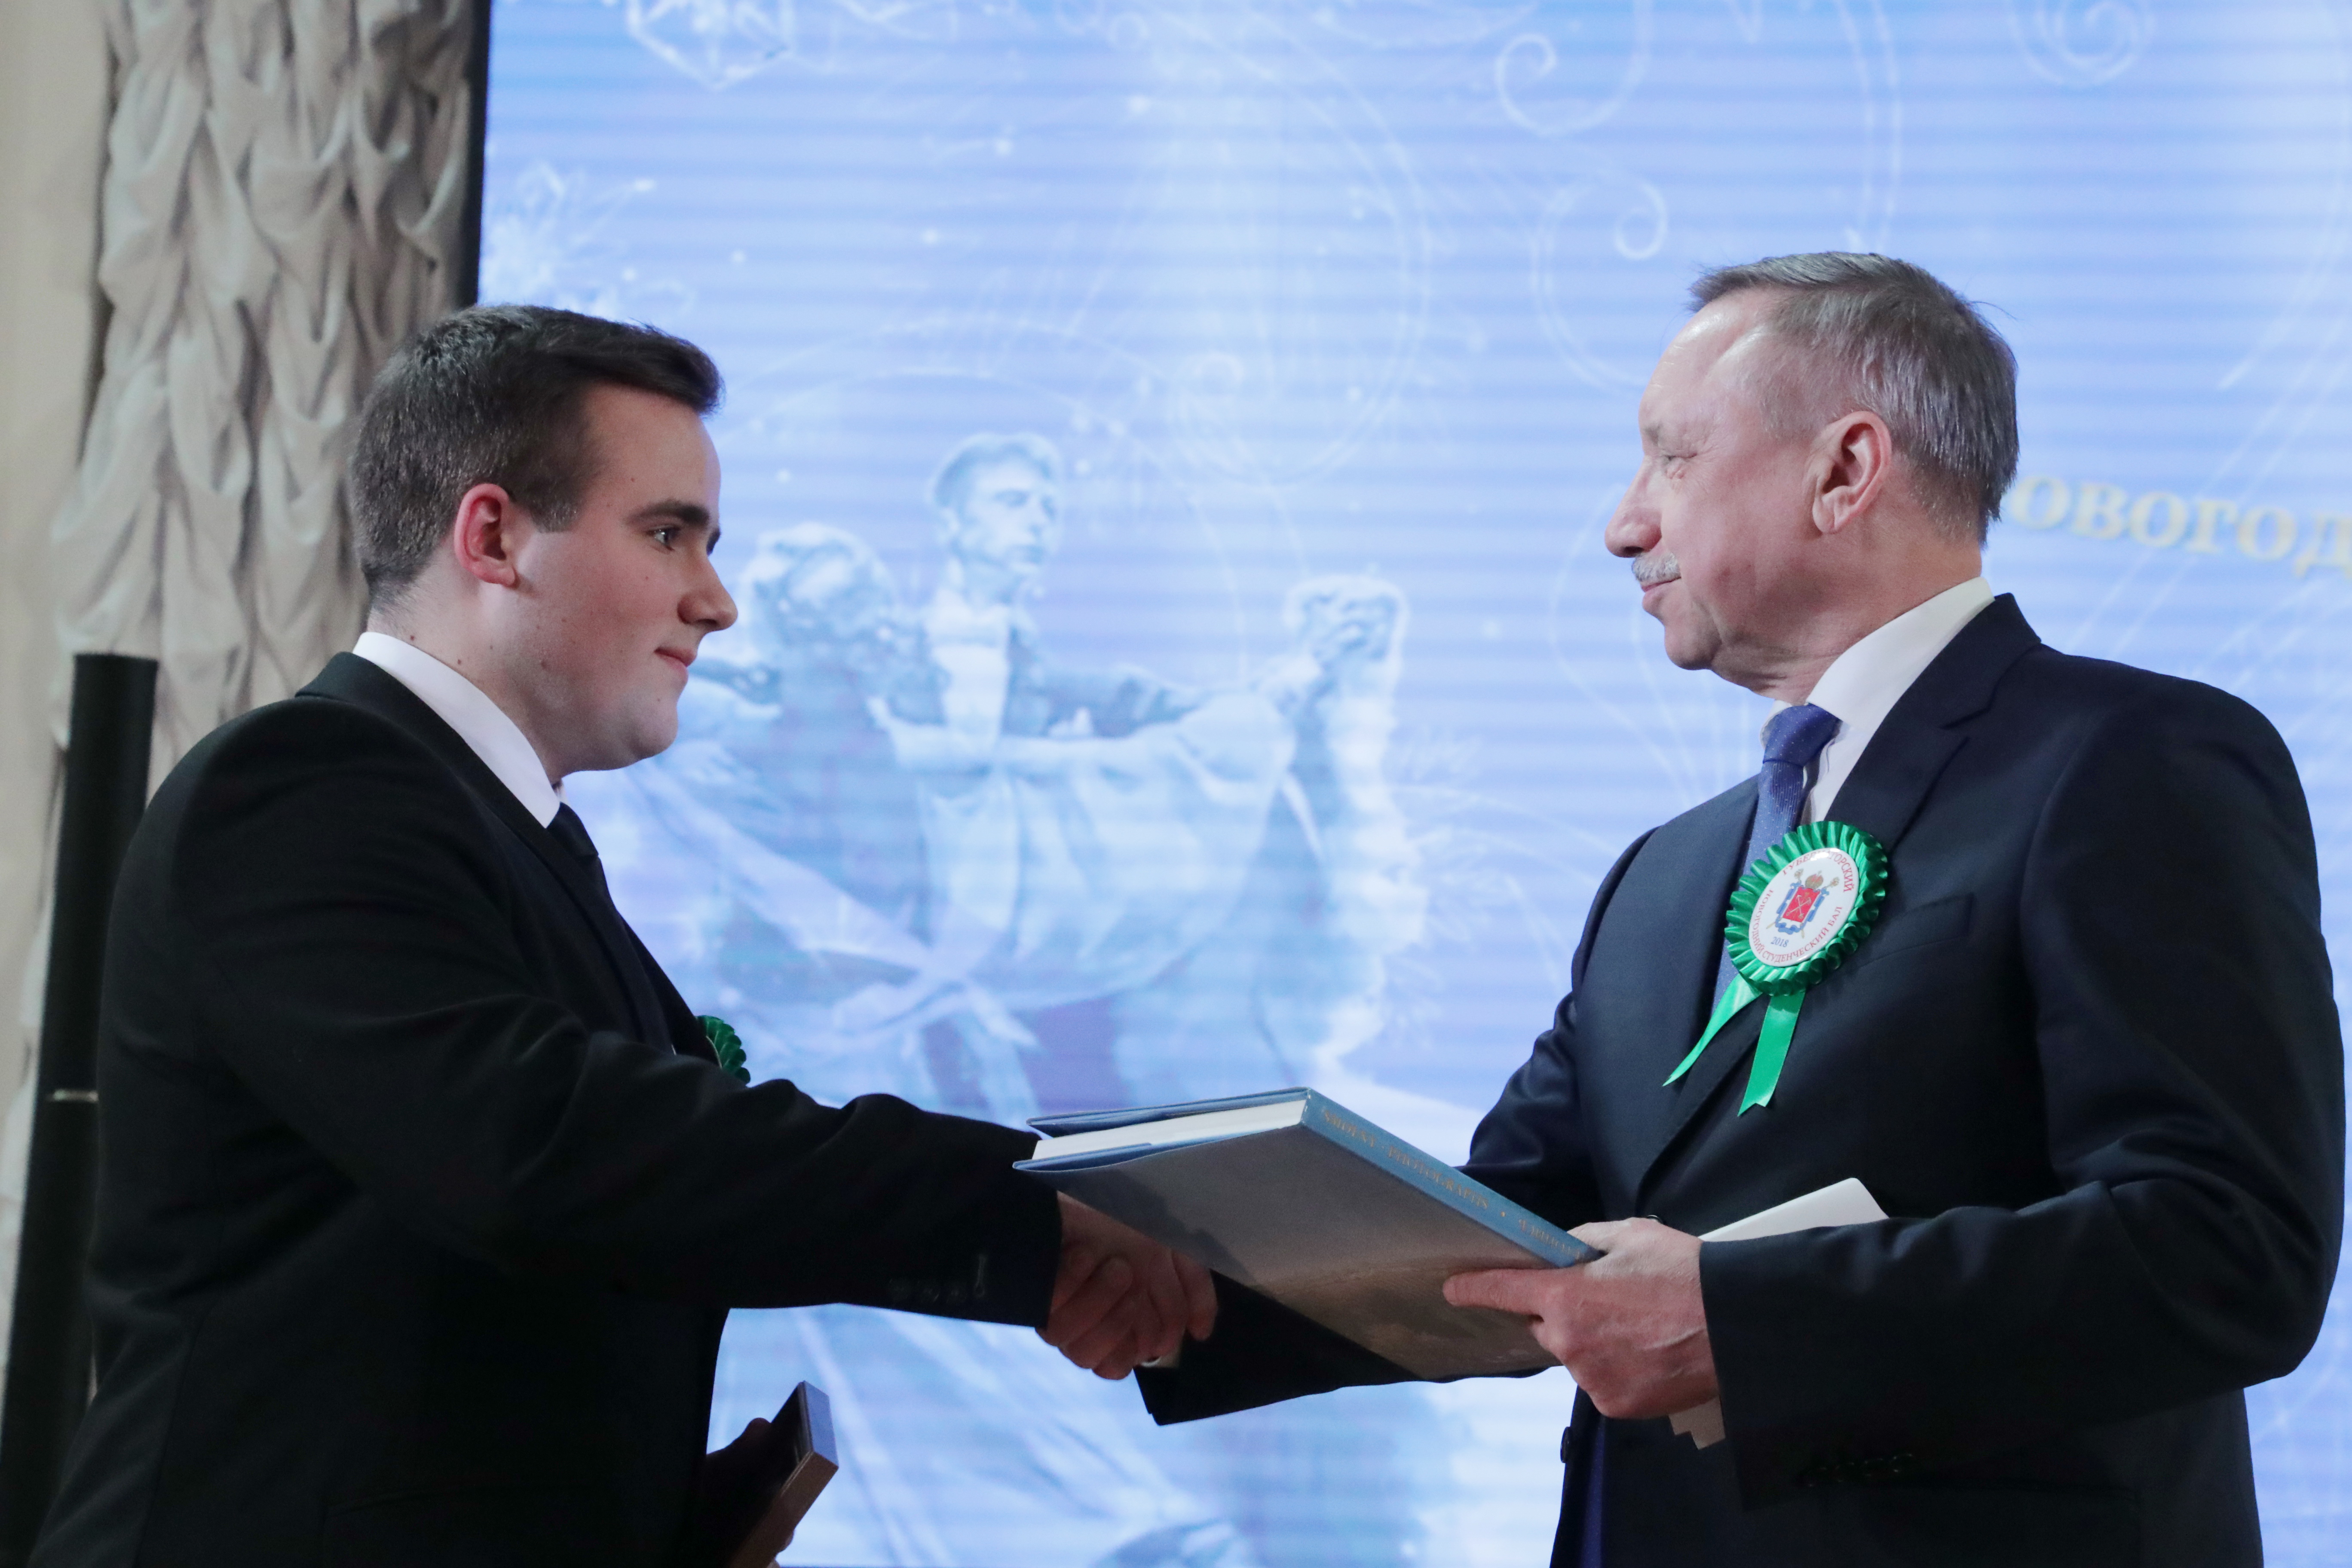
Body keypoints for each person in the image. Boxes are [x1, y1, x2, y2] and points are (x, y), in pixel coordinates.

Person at [1093, 254, 2345, 1566]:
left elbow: (2227, 1248)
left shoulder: (2132, 761)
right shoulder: (1664, 875)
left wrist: (1739, 1320)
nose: (1623, 525)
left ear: (1845, 471)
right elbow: (1495, 1237)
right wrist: (1169, 1276)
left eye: (1673, 459)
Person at [31, 305, 1211, 1568]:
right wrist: (1024, 1215)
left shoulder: (515, 834)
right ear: (493, 537)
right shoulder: (301, 787)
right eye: (666, 534)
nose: (717, 601)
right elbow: (542, 1147)